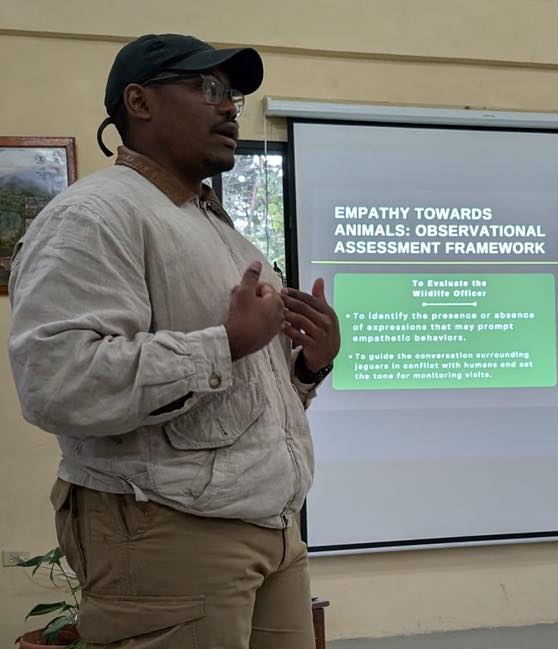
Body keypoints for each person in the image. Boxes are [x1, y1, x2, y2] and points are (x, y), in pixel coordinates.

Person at [7, 34, 340, 649]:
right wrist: (226, 345)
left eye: (234, 97)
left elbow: (243, 394)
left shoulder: (220, 230)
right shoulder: (94, 216)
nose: (228, 108)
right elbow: (57, 383)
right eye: (207, 89)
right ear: (139, 102)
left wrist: (307, 367)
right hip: (168, 531)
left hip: (272, 528)